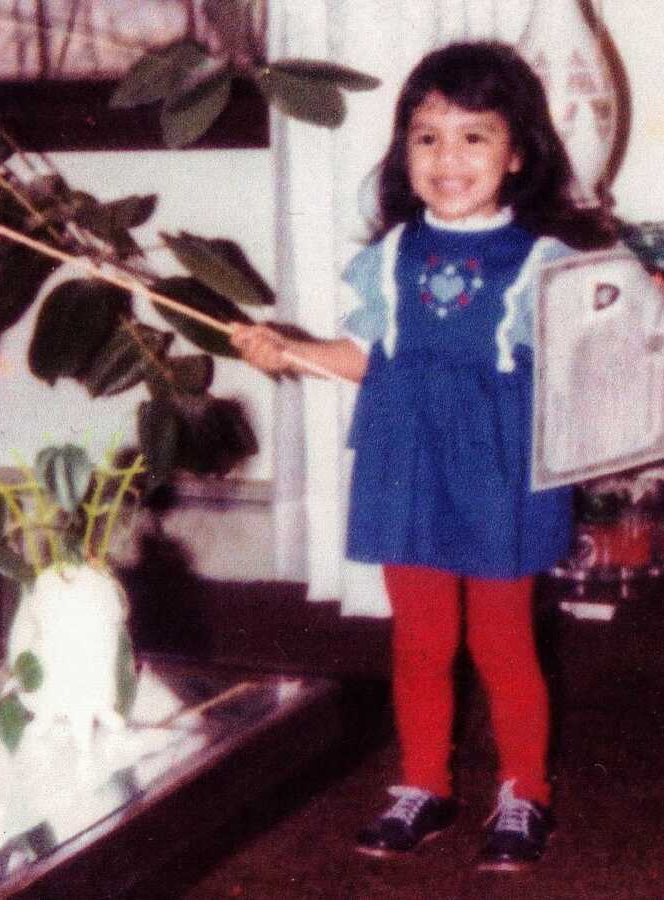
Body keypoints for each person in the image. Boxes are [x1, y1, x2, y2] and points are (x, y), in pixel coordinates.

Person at [230, 40, 619, 872]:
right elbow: (371, 357)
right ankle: (424, 783)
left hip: (499, 469)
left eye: (474, 137)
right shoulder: (395, 256)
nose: (448, 158)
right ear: (403, 153)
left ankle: (525, 792)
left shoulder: (545, 260)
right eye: (427, 136)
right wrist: (288, 350)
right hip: (405, 460)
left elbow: (597, 355)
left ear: (517, 155)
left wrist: (631, 299)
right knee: (419, 639)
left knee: (504, 641)